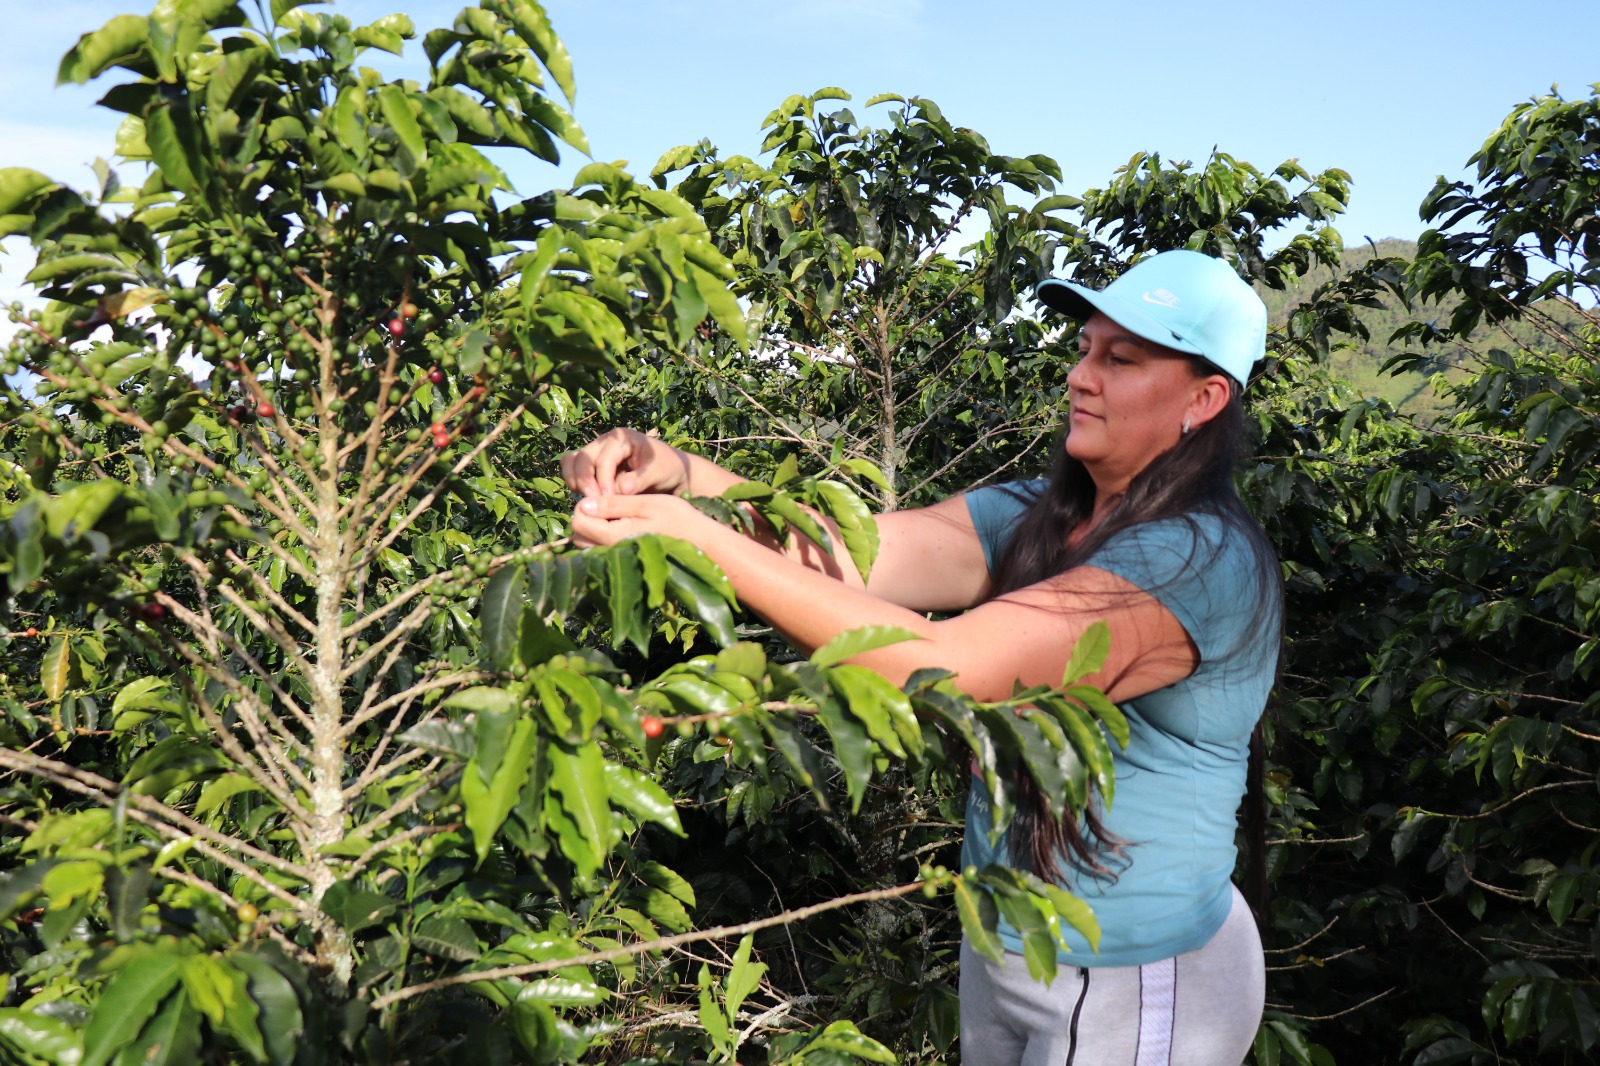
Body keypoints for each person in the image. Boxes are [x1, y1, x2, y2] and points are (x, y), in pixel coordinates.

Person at [562, 249, 1283, 1066]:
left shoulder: (1195, 562)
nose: (1083, 376)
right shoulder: (1039, 517)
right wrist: (684, 478)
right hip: (1011, 943)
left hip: (1136, 976)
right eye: (1085, 349)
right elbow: (844, 553)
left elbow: (942, 667)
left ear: (1205, 398)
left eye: (1122, 359)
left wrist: (703, 541)